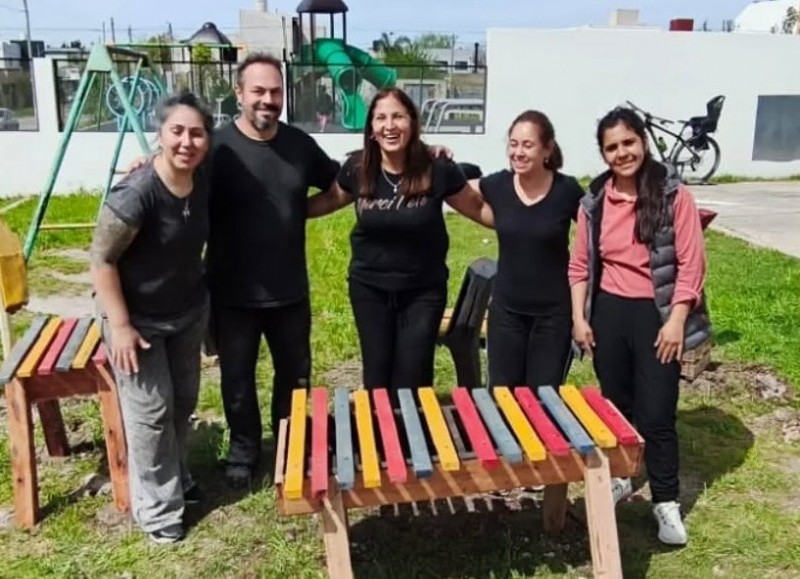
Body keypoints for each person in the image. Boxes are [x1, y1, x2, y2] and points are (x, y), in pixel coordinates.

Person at [568, 106, 710, 546]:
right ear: (603, 154)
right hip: (609, 313)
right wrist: (579, 318)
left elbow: (691, 265)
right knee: (616, 407)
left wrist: (677, 321)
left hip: (657, 314)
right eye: (612, 147)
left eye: (628, 142)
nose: (622, 153)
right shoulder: (593, 203)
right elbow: (579, 266)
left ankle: (665, 501)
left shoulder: (673, 195)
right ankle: (622, 476)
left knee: (657, 414)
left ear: (643, 142)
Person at [206, 53, 342, 489]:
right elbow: (174, 174)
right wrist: (146, 162)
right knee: (237, 378)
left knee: (294, 375)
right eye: (259, 91)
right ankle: (244, 451)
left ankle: (290, 446)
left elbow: (339, 185)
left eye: (276, 91)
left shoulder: (299, 145)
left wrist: (299, 211)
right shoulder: (216, 147)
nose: (268, 100)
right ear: (239, 93)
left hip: (289, 290)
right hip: (232, 291)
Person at [307, 88, 492, 400]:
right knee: (376, 377)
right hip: (369, 289)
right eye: (381, 118)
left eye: (398, 117)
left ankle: (411, 431)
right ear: (371, 128)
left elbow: (476, 208)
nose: (389, 126)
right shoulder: (358, 167)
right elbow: (328, 200)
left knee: (412, 377)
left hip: (422, 291)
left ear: (412, 123)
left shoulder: (437, 168)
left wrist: (525, 221)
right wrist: (283, 212)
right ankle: (381, 430)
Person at [90, 91, 214, 544]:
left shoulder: (202, 177)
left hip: (186, 311)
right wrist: (120, 327)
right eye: (176, 131)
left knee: (183, 400)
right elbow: (102, 259)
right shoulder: (137, 192)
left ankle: (176, 476)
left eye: (196, 133)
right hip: (136, 320)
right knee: (151, 412)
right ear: (159, 133)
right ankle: (158, 510)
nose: (186, 141)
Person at [474, 111, 585, 391]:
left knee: (544, 401)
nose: (518, 152)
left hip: (553, 318)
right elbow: (456, 190)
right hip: (506, 314)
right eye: (513, 144)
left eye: (527, 145)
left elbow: (596, 232)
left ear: (547, 149)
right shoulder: (498, 185)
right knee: (503, 398)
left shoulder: (567, 190)